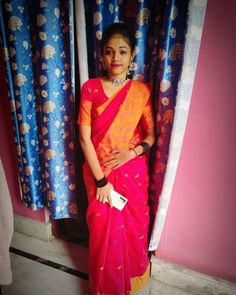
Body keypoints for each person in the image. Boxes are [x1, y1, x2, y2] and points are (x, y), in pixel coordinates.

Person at [78, 22, 156, 295]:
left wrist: (131, 153)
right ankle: (106, 287)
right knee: (102, 228)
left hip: (132, 171)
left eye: (122, 52)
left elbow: (151, 135)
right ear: (101, 55)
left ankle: (132, 282)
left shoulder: (141, 92)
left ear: (132, 54)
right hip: (99, 173)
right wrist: (101, 182)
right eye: (109, 52)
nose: (116, 59)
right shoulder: (91, 88)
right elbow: (84, 138)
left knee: (133, 226)